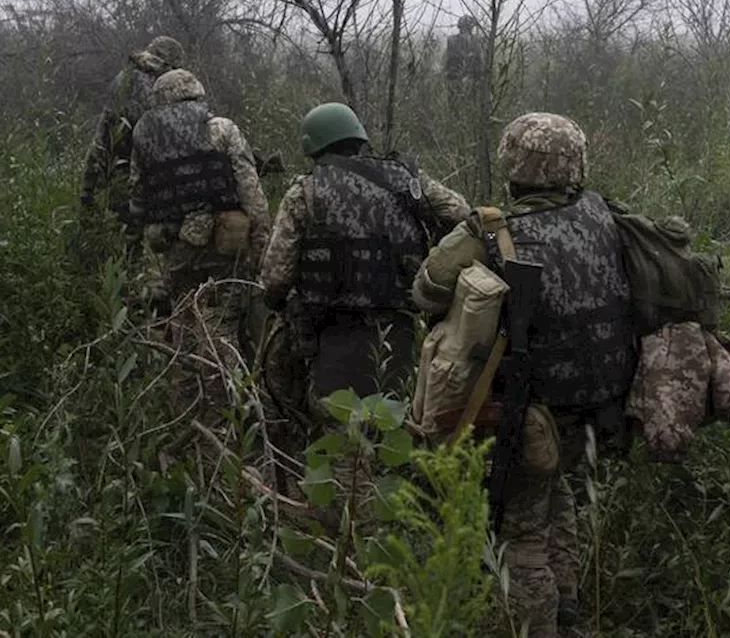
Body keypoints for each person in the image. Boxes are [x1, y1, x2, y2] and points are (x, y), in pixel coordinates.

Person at [412, 112, 638, 638]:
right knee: (560, 506)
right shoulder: (605, 216)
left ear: (513, 165)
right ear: (575, 165)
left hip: (527, 411)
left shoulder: (493, 232)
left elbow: (425, 290)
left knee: (521, 533)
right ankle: (570, 615)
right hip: (599, 405)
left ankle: (538, 628)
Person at [258, 102, 470, 429]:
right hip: (398, 327)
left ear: (314, 147)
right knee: (394, 418)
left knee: (322, 414)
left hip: (329, 330)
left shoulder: (305, 193)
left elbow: (275, 279)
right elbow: (461, 215)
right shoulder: (407, 179)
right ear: (359, 138)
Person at [129, 68, 272, 412]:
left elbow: (137, 199)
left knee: (184, 332)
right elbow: (252, 194)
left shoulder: (144, 138)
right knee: (223, 333)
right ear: (196, 95)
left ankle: (186, 417)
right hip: (223, 250)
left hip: (175, 252)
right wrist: (263, 245)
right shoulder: (221, 129)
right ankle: (231, 422)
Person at [79, 35, 186, 222]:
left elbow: (102, 134)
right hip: (134, 174)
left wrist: (87, 186)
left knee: (112, 227)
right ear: (171, 64)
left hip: (110, 166)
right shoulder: (156, 86)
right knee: (133, 231)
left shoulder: (125, 76)